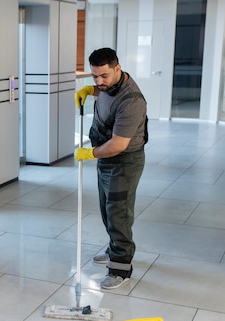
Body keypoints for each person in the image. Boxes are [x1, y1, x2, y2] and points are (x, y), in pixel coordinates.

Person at [74, 47, 147, 290]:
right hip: (106, 158)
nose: (99, 81)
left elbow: (118, 145)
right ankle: (114, 247)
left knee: (119, 214)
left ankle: (120, 267)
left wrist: (89, 153)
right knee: (108, 210)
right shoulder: (106, 86)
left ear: (118, 68)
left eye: (103, 76)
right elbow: (104, 92)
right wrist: (90, 90)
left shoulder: (132, 101)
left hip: (123, 161)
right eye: (94, 77)